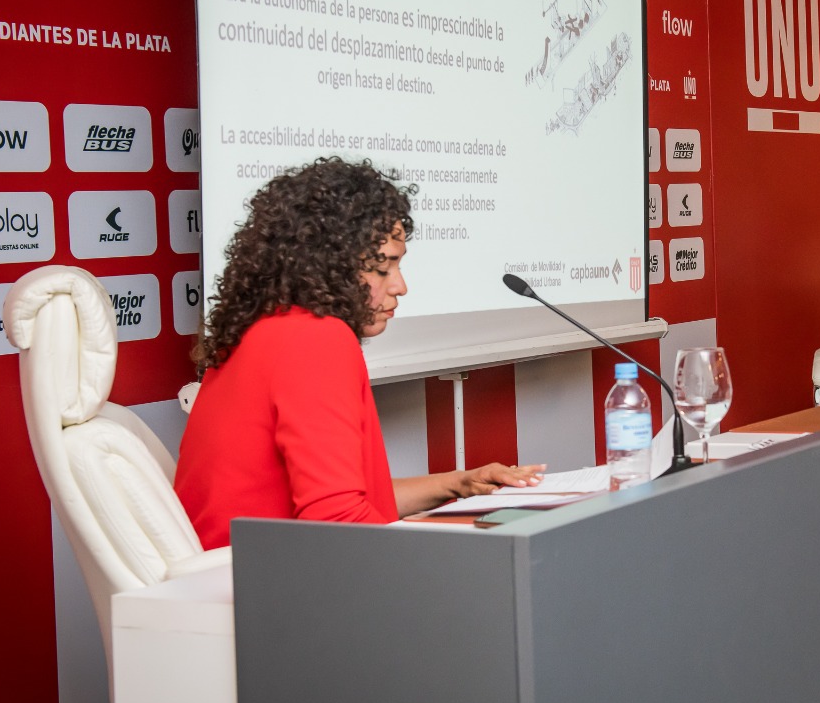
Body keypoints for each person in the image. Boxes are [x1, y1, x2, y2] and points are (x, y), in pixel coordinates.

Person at [175, 157, 544, 549]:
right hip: (273, 577)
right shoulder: (316, 338)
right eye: (384, 268)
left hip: (241, 568)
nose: (400, 286)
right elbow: (338, 522)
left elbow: (349, 502)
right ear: (329, 265)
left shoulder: (264, 330)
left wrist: (460, 483)